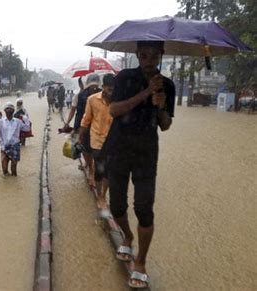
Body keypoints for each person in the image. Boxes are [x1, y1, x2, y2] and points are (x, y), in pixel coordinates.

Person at [107, 41, 175, 289]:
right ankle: (127, 235)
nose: (148, 60)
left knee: (144, 209)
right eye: (144, 55)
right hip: (119, 148)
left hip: (147, 153)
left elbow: (166, 125)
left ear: (161, 56)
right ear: (137, 55)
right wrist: (146, 93)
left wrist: (160, 107)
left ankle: (141, 261)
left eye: (154, 56)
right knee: (117, 207)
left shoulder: (167, 85)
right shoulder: (125, 78)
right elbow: (114, 110)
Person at [78, 74, 115, 211]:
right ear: (103, 87)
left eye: (114, 90)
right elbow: (86, 119)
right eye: (109, 89)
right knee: (100, 170)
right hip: (97, 141)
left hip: (113, 142)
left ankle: (104, 194)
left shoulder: (119, 100)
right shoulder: (92, 100)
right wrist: (80, 135)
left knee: (109, 172)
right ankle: (100, 195)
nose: (112, 93)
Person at [69, 74, 102, 188]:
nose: (94, 87)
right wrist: (75, 128)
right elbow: (79, 113)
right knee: (87, 150)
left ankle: (95, 170)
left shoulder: (104, 93)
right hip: (86, 127)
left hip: (99, 127)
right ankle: (91, 170)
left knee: (98, 150)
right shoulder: (82, 95)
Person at [0, 102, 30, 176]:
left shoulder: (18, 122)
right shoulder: (0, 122)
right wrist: (2, 146)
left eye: (10, 109)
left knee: (13, 169)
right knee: (4, 169)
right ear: (5, 110)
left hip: (15, 146)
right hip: (4, 147)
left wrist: (26, 118)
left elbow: (27, 129)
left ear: (13, 111)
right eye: (7, 108)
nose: (9, 110)